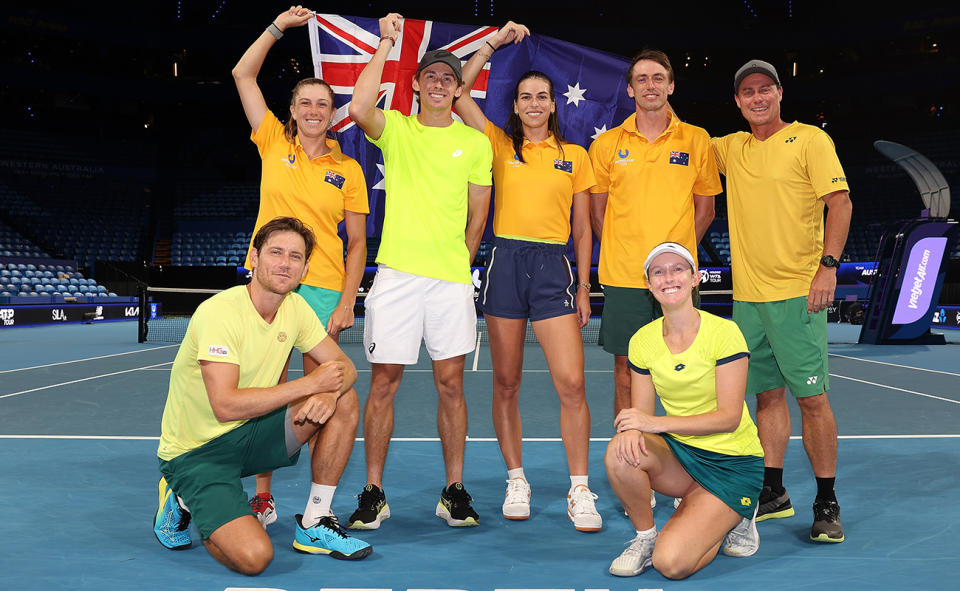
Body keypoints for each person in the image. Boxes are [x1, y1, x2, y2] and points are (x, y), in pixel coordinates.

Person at [153, 217, 371, 575]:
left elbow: (346, 368)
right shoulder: (220, 313)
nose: (285, 263)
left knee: (344, 399)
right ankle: (182, 498)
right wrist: (312, 385)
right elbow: (225, 405)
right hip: (197, 454)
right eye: (276, 252)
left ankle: (316, 520)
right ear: (253, 257)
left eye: (295, 256)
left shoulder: (296, 308)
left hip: (252, 434)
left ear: (304, 268)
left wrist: (331, 393)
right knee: (255, 559)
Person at [344, 13, 493, 528]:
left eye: (448, 77)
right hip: (397, 279)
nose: (438, 82)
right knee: (383, 382)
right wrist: (386, 42)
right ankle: (373, 491)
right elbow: (360, 106)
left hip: (449, 280)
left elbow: (479, 214)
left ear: (457, 90)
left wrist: (459, 261)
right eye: (430, 75)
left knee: (451, 384)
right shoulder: (398, 131)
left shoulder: (475, 143)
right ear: (417, 84)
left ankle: (453, 489)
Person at [456, 22, 601, 530]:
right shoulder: (498, 145)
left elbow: (583, 230)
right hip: (505, 264)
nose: (535, 103)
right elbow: (458, 90)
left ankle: (579, 489)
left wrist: (584, 286)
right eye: (525, 97)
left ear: (554, 104)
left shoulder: (575, 157)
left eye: (543, 96)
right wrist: (493, 44)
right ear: (515, 106)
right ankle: (516, 478)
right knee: (507, 381)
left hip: (553, 267)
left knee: (572, 383)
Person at [232, 5, 369, 528]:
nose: (314, 110)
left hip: (323, 292)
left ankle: (318, 506)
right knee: (266, 392)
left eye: (322, 104)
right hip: (267, 287)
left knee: (328, 395)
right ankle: (262, 497)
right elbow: (243, 74)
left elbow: (356, 243)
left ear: (332, 114)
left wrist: (346, 300)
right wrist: (276, 27)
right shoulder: (271, 141)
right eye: (305, 102)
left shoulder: (348, 169)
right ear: (292, 110)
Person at [712, 59, 852, 543]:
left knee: (812, 399)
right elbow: (676, 144)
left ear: (779, 93)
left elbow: (841, 202)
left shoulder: (811, 140)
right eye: (747, 92)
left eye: (764, 89)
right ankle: (773, 489)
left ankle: (826, 500)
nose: (756, 97)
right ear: (737, 101)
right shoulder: (731, 148)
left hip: (798, 293)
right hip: (748, 298)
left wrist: (827, 267)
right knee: (765, 396)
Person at [605, 242, 763, 579]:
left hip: (732, 462)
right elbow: (641, 417)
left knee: (672, 565)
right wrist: (634, 427)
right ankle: (645, 537)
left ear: (695, 279)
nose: (668, 277)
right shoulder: (642, 341)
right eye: (658, 272)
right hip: (682, 458)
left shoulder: (725, 333)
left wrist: (654, 422)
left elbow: (729, 418)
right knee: (621, 450)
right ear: (649, 285)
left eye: (678, 269)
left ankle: (735, 514)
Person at [588, 50, 721, 422]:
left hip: (678, 280)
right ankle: (631, 457)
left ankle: (691, 459)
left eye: (658, 78)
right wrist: (627, 251)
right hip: (625, 278)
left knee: (690, 371)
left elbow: (706, 210)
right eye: (642, 79)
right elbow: (597, 214)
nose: (651, 85)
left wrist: (673, 260)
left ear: (671, 86)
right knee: (626, 374)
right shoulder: (606, 145)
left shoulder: (697, 140)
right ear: (630, 89)